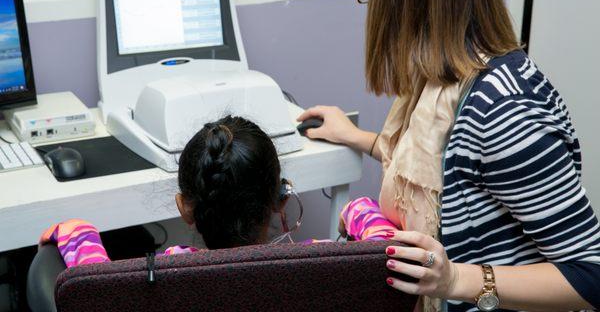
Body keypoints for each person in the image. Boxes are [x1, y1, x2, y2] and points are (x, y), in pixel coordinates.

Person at [298, 0, 600, 311]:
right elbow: (456, 170)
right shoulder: (444, 77)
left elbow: (590, 277)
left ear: (403, 3)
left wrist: (457, 278)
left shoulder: (504, 111)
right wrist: (360, 139)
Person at [40, 116, 399, 267]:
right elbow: (384, 240)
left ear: (184, 207)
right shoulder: (323, 263)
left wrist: (77, 232)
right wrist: (356, 208)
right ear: (281, 201)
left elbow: (94, 282)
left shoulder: (161, 275)